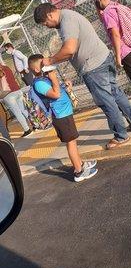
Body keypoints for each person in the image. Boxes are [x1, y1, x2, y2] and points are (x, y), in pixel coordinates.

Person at [33, 3, 131, 150]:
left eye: (45, 23)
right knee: (116, 93)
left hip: (93, 67)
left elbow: (69, 49)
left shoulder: (67, 21)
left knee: (106, 101)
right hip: (102, 58)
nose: (47, 26)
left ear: (49, 15)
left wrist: (51, 60)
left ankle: (121, 135)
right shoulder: (69, 16)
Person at [28, 54, 98, 182]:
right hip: (60, 116)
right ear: (37, 69)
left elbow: (57, 91)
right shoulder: (39, 84)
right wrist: (53, 77)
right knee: (71, 143)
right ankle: (79, 171)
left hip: (64, 113)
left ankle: (80, 163)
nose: (47, 65)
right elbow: (55, 94)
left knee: (73, 141)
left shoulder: (44, 79)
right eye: (43, 64)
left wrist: (66, 87)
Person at [0, 64, 32, 137]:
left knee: (18, 113)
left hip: (8, 95)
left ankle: (27, 130)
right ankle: (34, 124)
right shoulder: (6, 67)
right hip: (18, 91)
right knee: (23, 109)